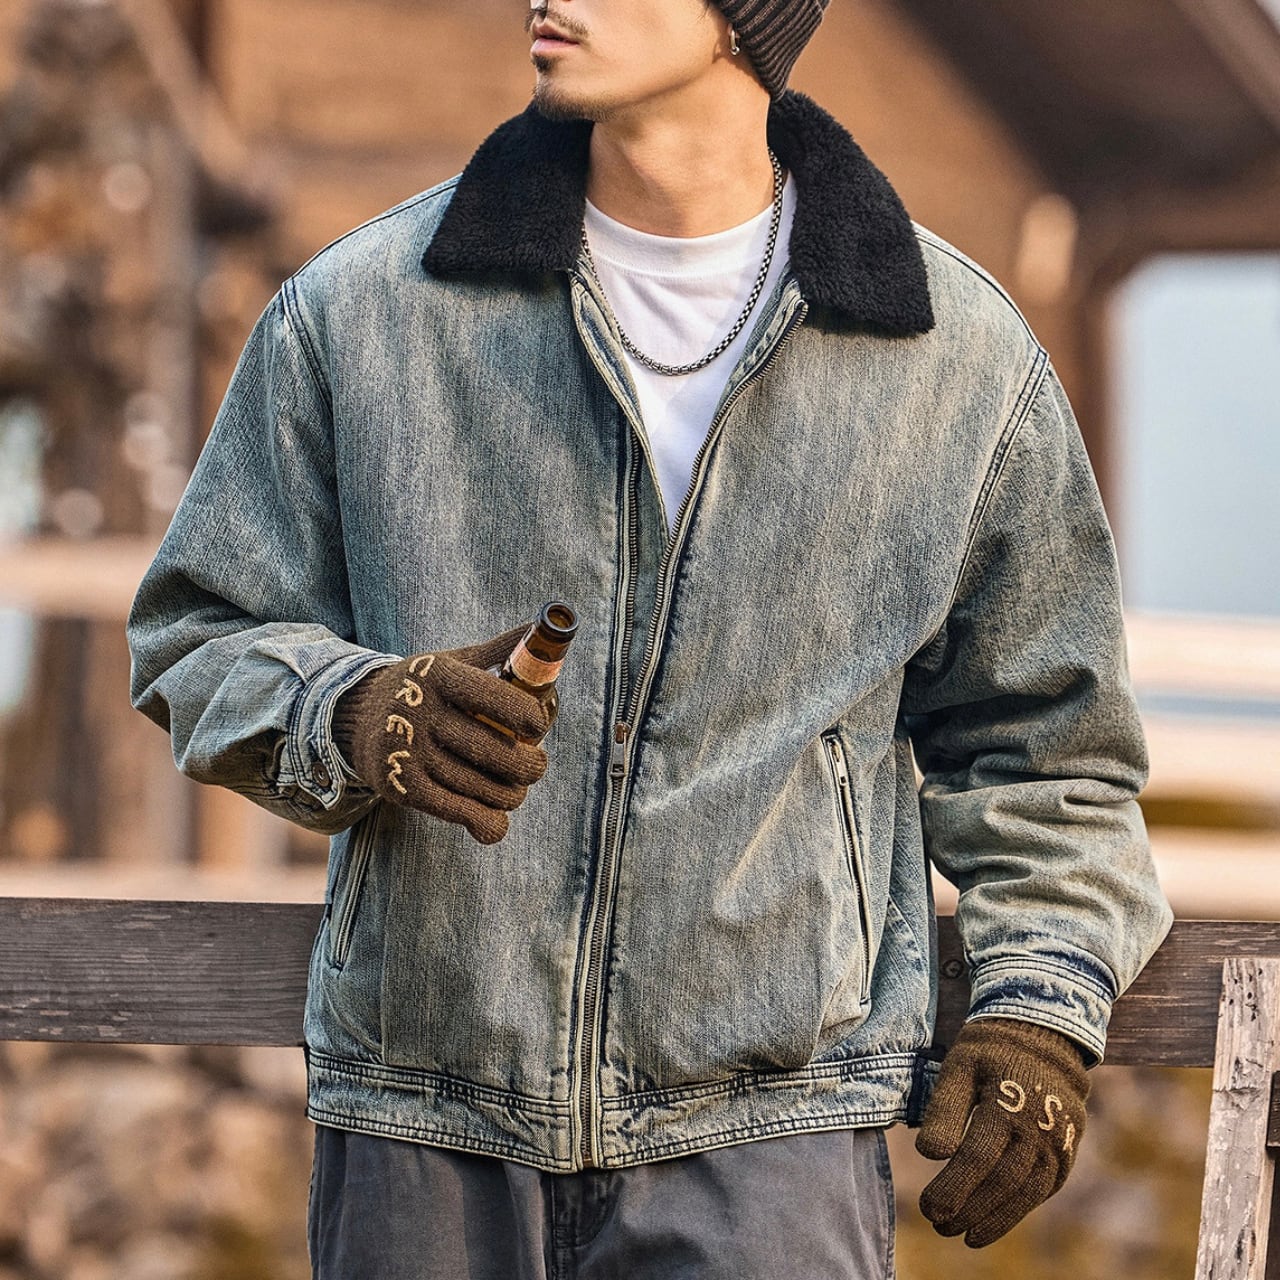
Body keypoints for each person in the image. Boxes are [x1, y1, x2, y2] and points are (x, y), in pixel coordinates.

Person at [126, 0, 1175, 1274]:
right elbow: (197, 634)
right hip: (423, 1124)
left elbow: (1048, 754)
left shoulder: (957, 361)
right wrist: (352, 711)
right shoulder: (359, 312)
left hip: (774, 1147)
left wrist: (1040, 1007)